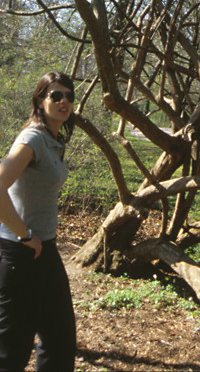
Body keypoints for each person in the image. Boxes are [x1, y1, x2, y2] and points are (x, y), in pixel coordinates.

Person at [0, 72, 76, 371]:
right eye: (55, 96)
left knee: (59, 339)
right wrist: (23, 235)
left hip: (45, 249)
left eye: (69, 96)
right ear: (40, 100)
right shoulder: (32, 137)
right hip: (20, 253)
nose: (64, 101)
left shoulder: (52, 139)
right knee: (12, 350)